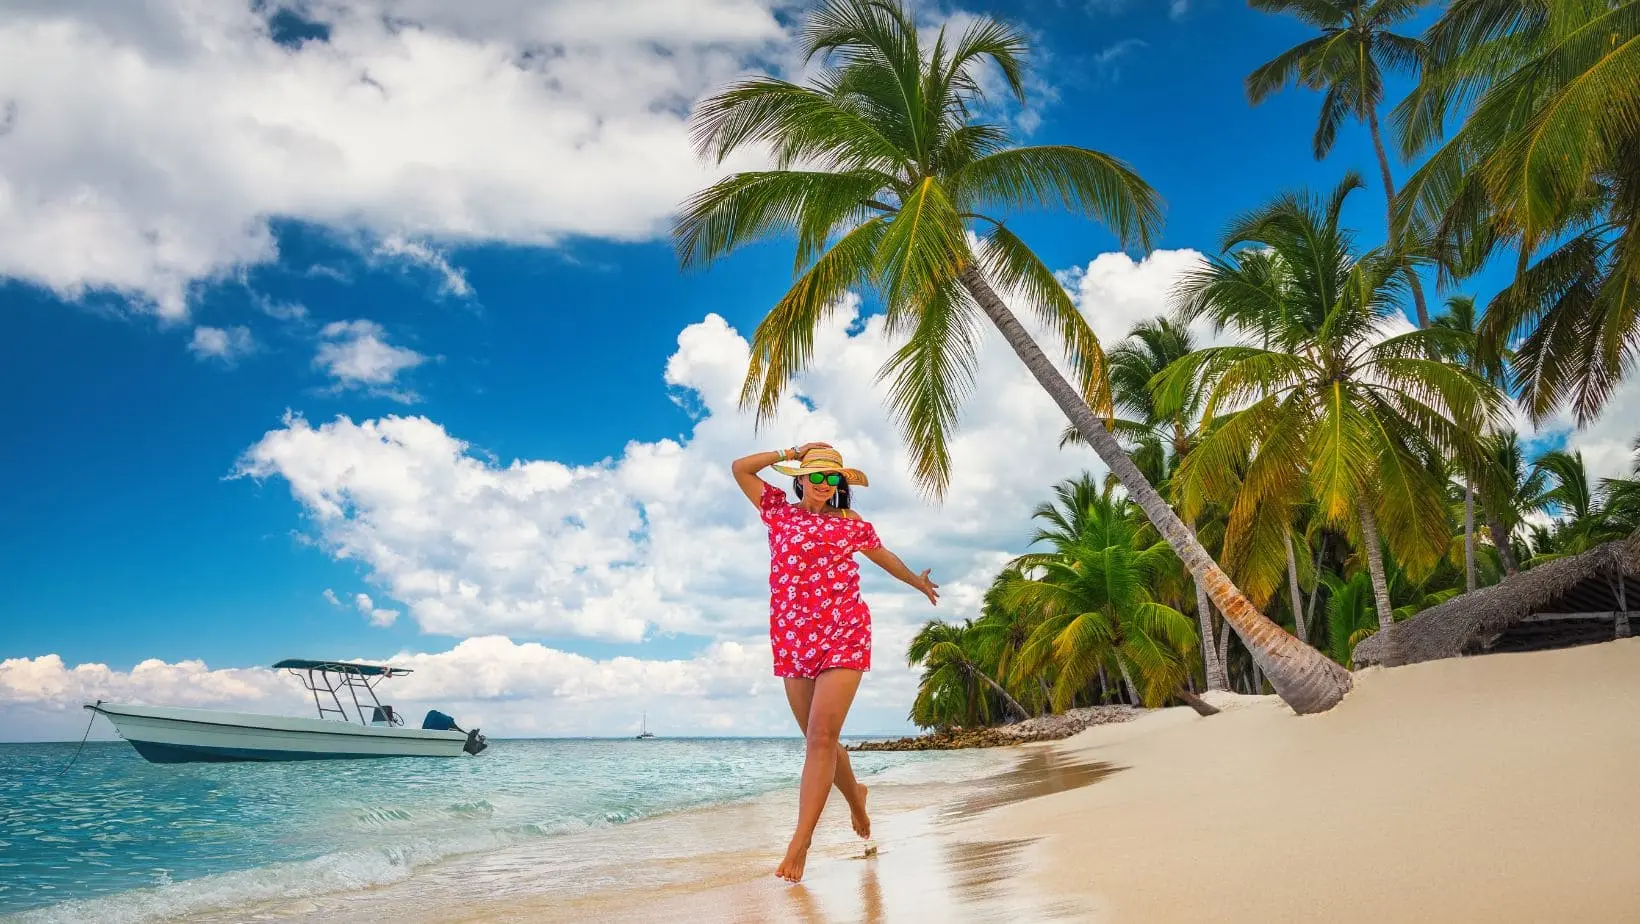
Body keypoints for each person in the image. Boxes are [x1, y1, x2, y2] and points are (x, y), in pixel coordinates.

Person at [731, 441, 940, 883]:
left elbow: (885, 559)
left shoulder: (851, 524)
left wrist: (915, 581)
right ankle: (856, 797)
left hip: (844, 629)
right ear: (801, 479)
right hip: (791, 635)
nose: (825, 485)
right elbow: (741, 469)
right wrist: (789, 450)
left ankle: (799, 842)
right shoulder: (778, 511)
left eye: (833, 479)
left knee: (822, 736)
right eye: (817, 476)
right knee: (817, 737)